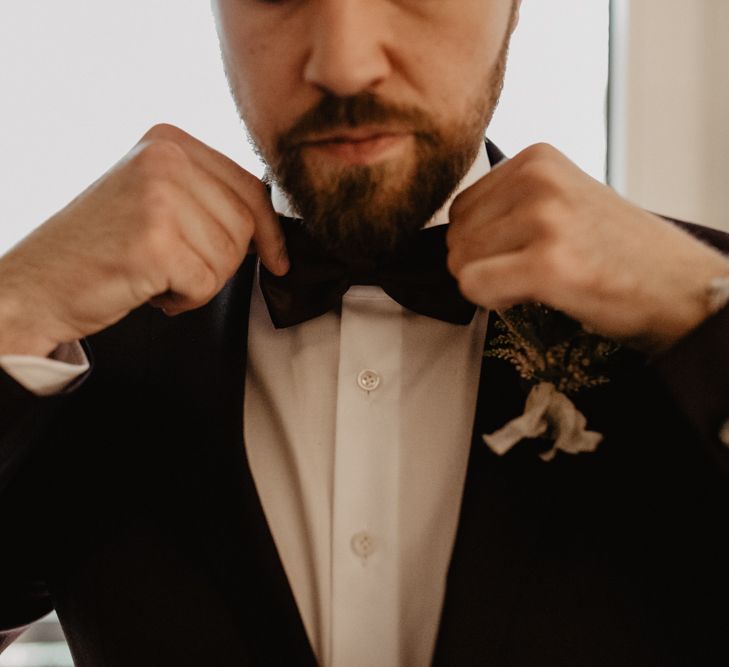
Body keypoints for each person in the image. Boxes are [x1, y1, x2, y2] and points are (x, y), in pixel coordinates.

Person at [1, 0, 728, 664]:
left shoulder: (693, 313)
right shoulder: (63, 349)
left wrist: (706, 315)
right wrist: (14, 303)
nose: (345, 64)